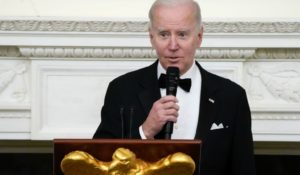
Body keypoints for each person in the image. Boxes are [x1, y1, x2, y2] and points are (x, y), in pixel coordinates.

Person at [93, 0, 256, 175]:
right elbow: (100, 164)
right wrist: (144, 131)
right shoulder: (121, 89)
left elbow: (243, 168)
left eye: (182, 34)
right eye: (164, 34)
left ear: (199, 37)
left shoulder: (232, 96)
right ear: (151, 37)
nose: (172, 46)